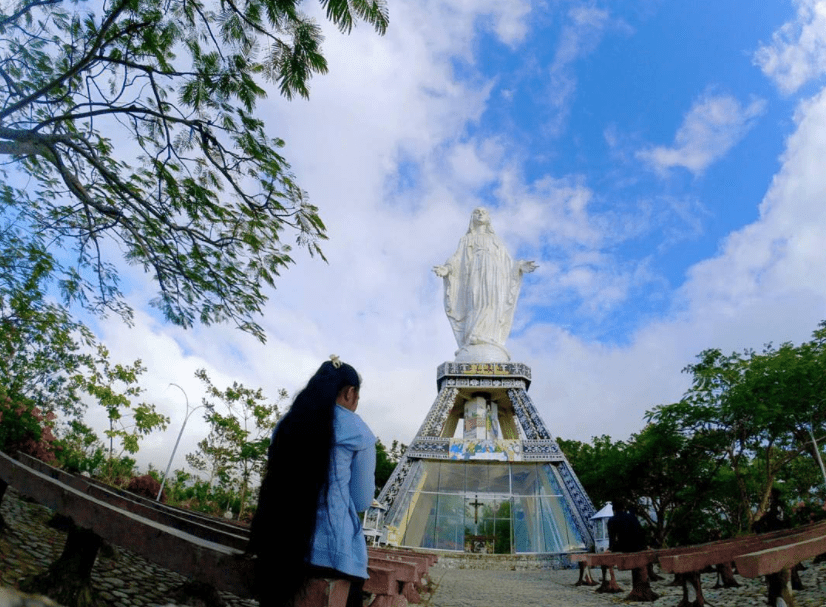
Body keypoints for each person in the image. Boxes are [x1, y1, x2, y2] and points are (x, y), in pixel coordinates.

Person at [248, 356, 376, 607]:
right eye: (357, 398)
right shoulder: (359, 432)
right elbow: (361, 500)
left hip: (276, 546)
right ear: (350, 393)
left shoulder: (287, 424)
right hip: (332, 556)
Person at [433, 207, 537, 362]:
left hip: (493, 278)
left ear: (488, 218)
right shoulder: (466, 240)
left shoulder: (496, 241)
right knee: (476, 302)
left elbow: (507, 262)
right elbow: (456, 260)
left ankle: (490, 339)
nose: (480, 214)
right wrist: (446, 269)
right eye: (476, 212)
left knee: (492, 304)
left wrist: (519, 266)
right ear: (472, 218)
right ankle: (474, 337)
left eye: (484, 212)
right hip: (474, 274)